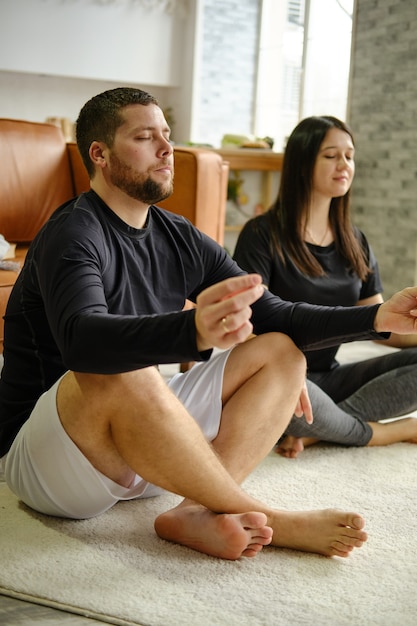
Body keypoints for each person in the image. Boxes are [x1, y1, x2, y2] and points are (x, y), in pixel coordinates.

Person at [1, 91, 417, 563]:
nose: (166, 149)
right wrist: (193, 330)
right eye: (144, 137)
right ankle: (268, 517)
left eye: (167, 136)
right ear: (100, 154)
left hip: (140, 451)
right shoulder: (74, 232)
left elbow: (275, 314)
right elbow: (83, 342)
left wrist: (376, 319)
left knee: (282, 352)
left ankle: (196, 508)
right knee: (122, 365)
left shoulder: (178, 236)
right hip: (50, 463)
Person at [233, 115, 417, 459]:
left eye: (349, 156)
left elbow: (381, 326)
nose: (344, 164)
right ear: (303, 164)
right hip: (277, 380)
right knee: (281, 401)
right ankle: (382, 432)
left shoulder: (354, 240)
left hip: (328, 379)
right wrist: (287, 380)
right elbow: (246, 329)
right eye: (331, 155)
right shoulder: (261, 235)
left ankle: (324, 429)